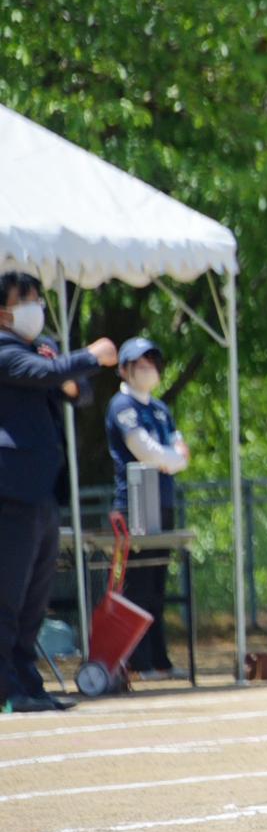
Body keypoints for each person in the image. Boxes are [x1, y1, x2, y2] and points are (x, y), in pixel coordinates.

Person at [0, 271, 116, 713]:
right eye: (24, 299)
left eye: (36, 297)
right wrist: (87, 355)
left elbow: (76, 391)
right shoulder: (6, 350)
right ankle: (7, 689)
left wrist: (68, 372)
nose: (35, 306)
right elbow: (47, 372)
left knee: (34, 598)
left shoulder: (33, 349)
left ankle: (28, 682)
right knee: (7, 597)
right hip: (11, 491)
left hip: (41, 492)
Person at [105, 337, 190, 679]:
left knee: (157, 584)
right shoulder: (121, 405)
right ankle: (137, 661)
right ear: (124, 369)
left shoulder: (160, 408)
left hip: (163, 502)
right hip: (134, 507)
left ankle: (159, 659)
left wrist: (170, 459)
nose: (147, 368)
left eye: (152, 361)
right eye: (139, 362)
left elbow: (180, 450)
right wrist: (169, 459)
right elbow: (145, 450)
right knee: (137, 585)